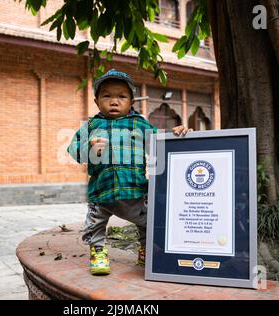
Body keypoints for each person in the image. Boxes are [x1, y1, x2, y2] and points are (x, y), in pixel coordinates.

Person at [67, 69, 191, 275]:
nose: (114, 101)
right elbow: (73, 151)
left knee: (148, 221)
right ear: (97, 101)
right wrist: (88, 148)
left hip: (134, 189)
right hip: (102, 191)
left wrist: (176, 135)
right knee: (96, 224)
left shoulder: (139, 124)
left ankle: (146, 250)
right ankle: (98, 252)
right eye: (107, 96)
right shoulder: (92, 125)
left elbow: (159, 145)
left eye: (121, 96)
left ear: (131, 101)